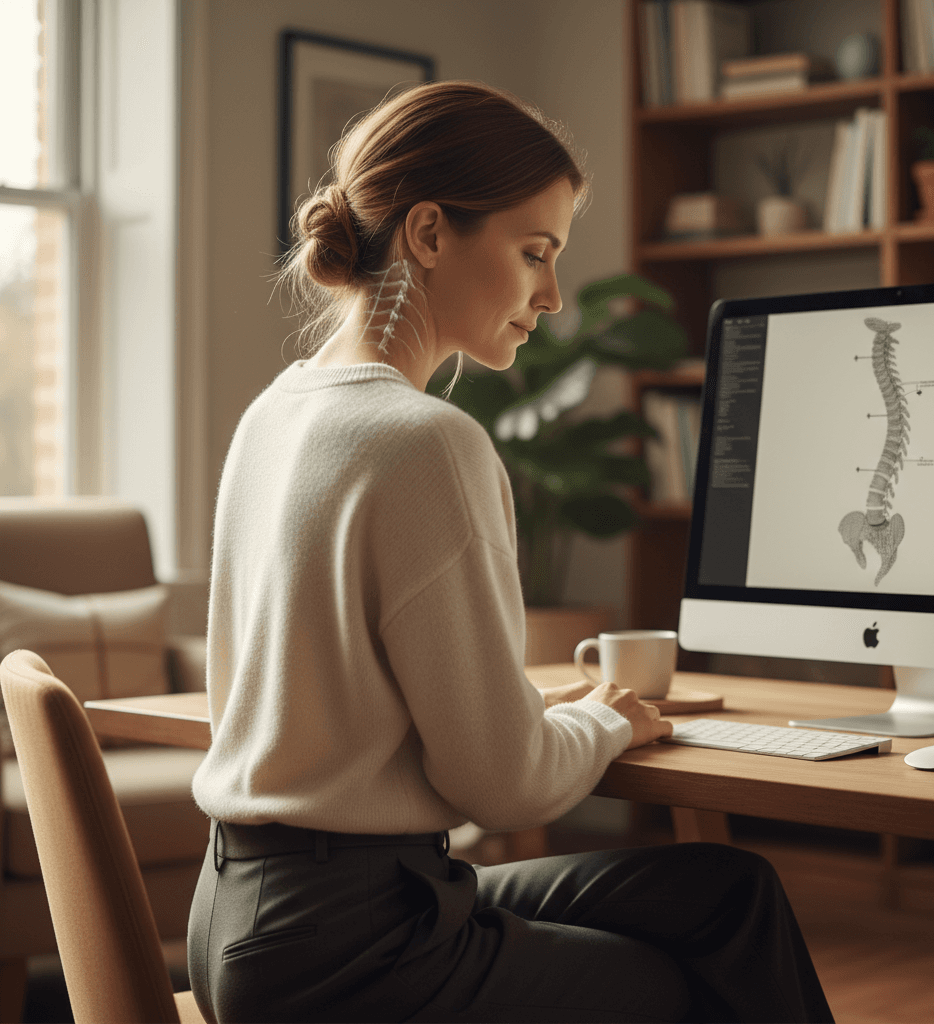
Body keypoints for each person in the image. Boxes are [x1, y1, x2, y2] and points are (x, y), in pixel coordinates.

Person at [187, 79, 834, 1024]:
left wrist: (554, 713)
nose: (555, 295)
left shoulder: (276, 411)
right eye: (535, 253)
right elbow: (500, 783)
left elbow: (377, 700)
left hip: (246, 919)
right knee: (684, 989)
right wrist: (610, 720)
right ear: (430, 233)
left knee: (722, 896)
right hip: (353, 949)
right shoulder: (424, 442)